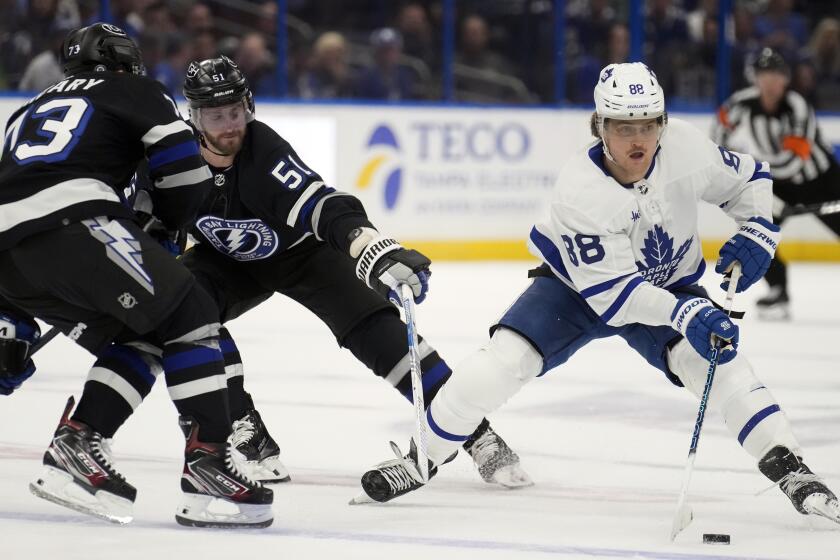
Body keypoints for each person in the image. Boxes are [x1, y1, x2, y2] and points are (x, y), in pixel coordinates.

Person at [355, 62, 840, 528]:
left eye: (649, 125)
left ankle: (792, 469)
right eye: (623, 127)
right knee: (497, 366)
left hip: (666, 286)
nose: (639, 140)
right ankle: (423, 459)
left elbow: (751, 178)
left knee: (723, 369)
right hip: (576, 290)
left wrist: (759, 228)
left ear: (663, 124)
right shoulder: (580, 192)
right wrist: (687, 309)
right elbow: (618, 297)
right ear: (599, 127)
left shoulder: (688, 149)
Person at [68, 55, 532, 490]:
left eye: (236, 111)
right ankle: (243, 430)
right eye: (216, 116)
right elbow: (140, 216)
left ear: (248, 105)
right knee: (183, 311)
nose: (231, 126)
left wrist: (370, 247)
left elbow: (321, 205)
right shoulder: (171, 156)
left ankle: (476, 434)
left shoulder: (264, 150)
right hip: (223, 263)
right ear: (194, 118)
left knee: (384, 338)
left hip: (303, 257)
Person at [0, 23, 272, 528]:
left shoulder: (27, 109)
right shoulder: (135, 89)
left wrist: (9, 329)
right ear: (125, 61)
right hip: (74, 225)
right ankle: (209, 464)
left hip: (9, 258)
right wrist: (165, 229)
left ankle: (78, 442)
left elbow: (17, 204)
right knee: (191, 310)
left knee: (143, 332)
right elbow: (185, 174)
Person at [713, 47, 840, 319]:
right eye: (764, 75)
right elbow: (718, 138)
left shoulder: (797, 106)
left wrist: (758, 173)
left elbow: (796, 161)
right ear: (755, 79)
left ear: (785, 79)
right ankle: (778, 290)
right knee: (755, 232)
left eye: (776, 75)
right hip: (778, 182)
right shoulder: (740, 103)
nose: (770, 82)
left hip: (822, 182)